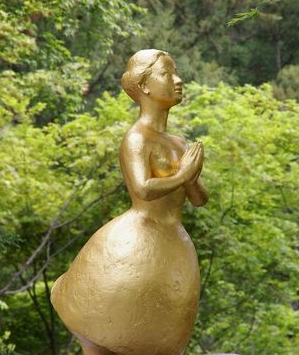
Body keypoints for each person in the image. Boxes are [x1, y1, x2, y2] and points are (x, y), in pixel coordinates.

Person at [51, 49, 208, 355]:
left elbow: (200, 199)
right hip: (134, 241)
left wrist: (191, 178)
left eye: (176, 72)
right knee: (107, 331)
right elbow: (143, 189)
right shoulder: (137, 138)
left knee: (156, 332)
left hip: (172, 246)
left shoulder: (179, 143)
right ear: (145, 85)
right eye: (167, 73)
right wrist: (182, 175)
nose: (178, 80)